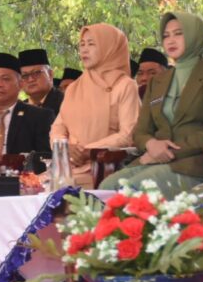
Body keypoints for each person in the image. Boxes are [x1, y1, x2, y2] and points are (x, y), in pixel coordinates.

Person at [101, 12, 203, 198]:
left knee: (133, 191)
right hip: (153, 162)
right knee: (105, 187)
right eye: (166, 36)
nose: (170, 40)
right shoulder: (157, 81)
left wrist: (167, 152)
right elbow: (140, 131)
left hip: (195, 164)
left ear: (195, 36)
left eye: (179, 33)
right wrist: (150, 144)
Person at [50, 24, 141, 188]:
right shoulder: (74, 88)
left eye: (91, 44)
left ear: (109, 48)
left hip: (104, 167)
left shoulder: (125, 85)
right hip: (67, 165)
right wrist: (65, 149)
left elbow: (128, 134)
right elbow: (57, 128)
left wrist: (88, 151)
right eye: (82, 44)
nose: (84, 50)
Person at [18, 49, 63, 115]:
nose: (30, 79)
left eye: (36, 73)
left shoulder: (66, 103)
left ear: (50, 74)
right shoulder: (19, 109)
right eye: (25, 75)